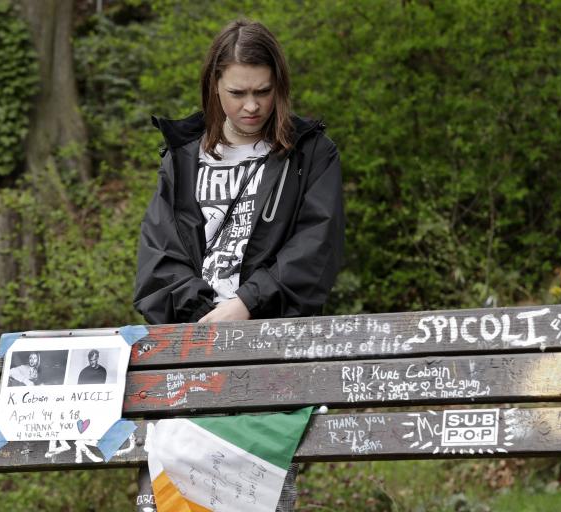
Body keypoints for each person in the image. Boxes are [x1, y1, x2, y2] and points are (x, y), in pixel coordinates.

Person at [133, 19, 344, 512]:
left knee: (258, 500)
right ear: (213, 87)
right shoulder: (182, 158)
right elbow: (157, 263)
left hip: (269, 358)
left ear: (280, 87)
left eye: (263, 92)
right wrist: (209, 316)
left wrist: (247, 304)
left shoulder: (309, 154)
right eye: (238, 93)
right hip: (190, 354)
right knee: (168, 501)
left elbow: (317, 251)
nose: (252, 106)